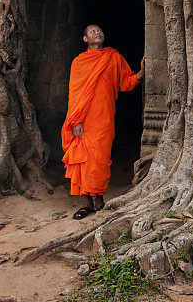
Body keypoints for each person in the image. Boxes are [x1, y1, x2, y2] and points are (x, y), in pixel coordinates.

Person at [61, 24, 145, 219]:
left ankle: (99, 200)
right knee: (81, 159)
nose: (97, 33)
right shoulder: (79, 62)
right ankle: (87, 203)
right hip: (83, 119)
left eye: (99, 30)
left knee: (100, 158)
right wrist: (76, 120)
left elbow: (125, 82)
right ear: (85, 39)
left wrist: (140, 73)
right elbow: (74, 93)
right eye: (92, 31)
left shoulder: (112, 57)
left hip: (103, 117)